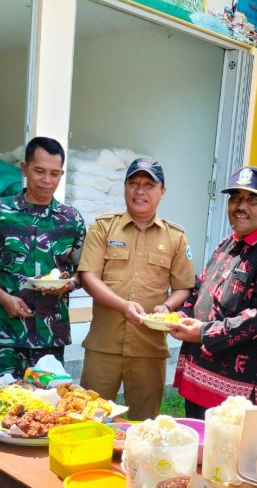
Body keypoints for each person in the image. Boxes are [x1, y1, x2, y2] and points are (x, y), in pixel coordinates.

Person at [0, 136, 85, 488]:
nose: (47, 180)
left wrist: (69, 283)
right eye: (39, 171)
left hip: (49, 337)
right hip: (5, 332)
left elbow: (79, 271)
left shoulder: (71, 220)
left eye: (55, 173)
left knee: (47, 413)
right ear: (24, 169)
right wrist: (4, 298)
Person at [169, 166, 257, 417]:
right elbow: (200, 287)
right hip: (200, 376)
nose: (242, 206)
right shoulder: (227, 244)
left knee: (229, 452)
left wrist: (205, 332)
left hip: (237, 391)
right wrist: (182, 315)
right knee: (198, 448)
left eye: (253, 200)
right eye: (236, 198)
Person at [77, 158, 195, 420]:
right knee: (89, 420)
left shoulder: (175, 237)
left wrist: (167, 307)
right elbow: (88, 276)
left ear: (162, 192)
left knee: (145, 425)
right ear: (125, 188)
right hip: (103, 344)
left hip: (148, 348)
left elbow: (184, 286)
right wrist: (122, 306)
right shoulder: (103, 227)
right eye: (133, 183)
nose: (140, 191)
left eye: (148, 185)